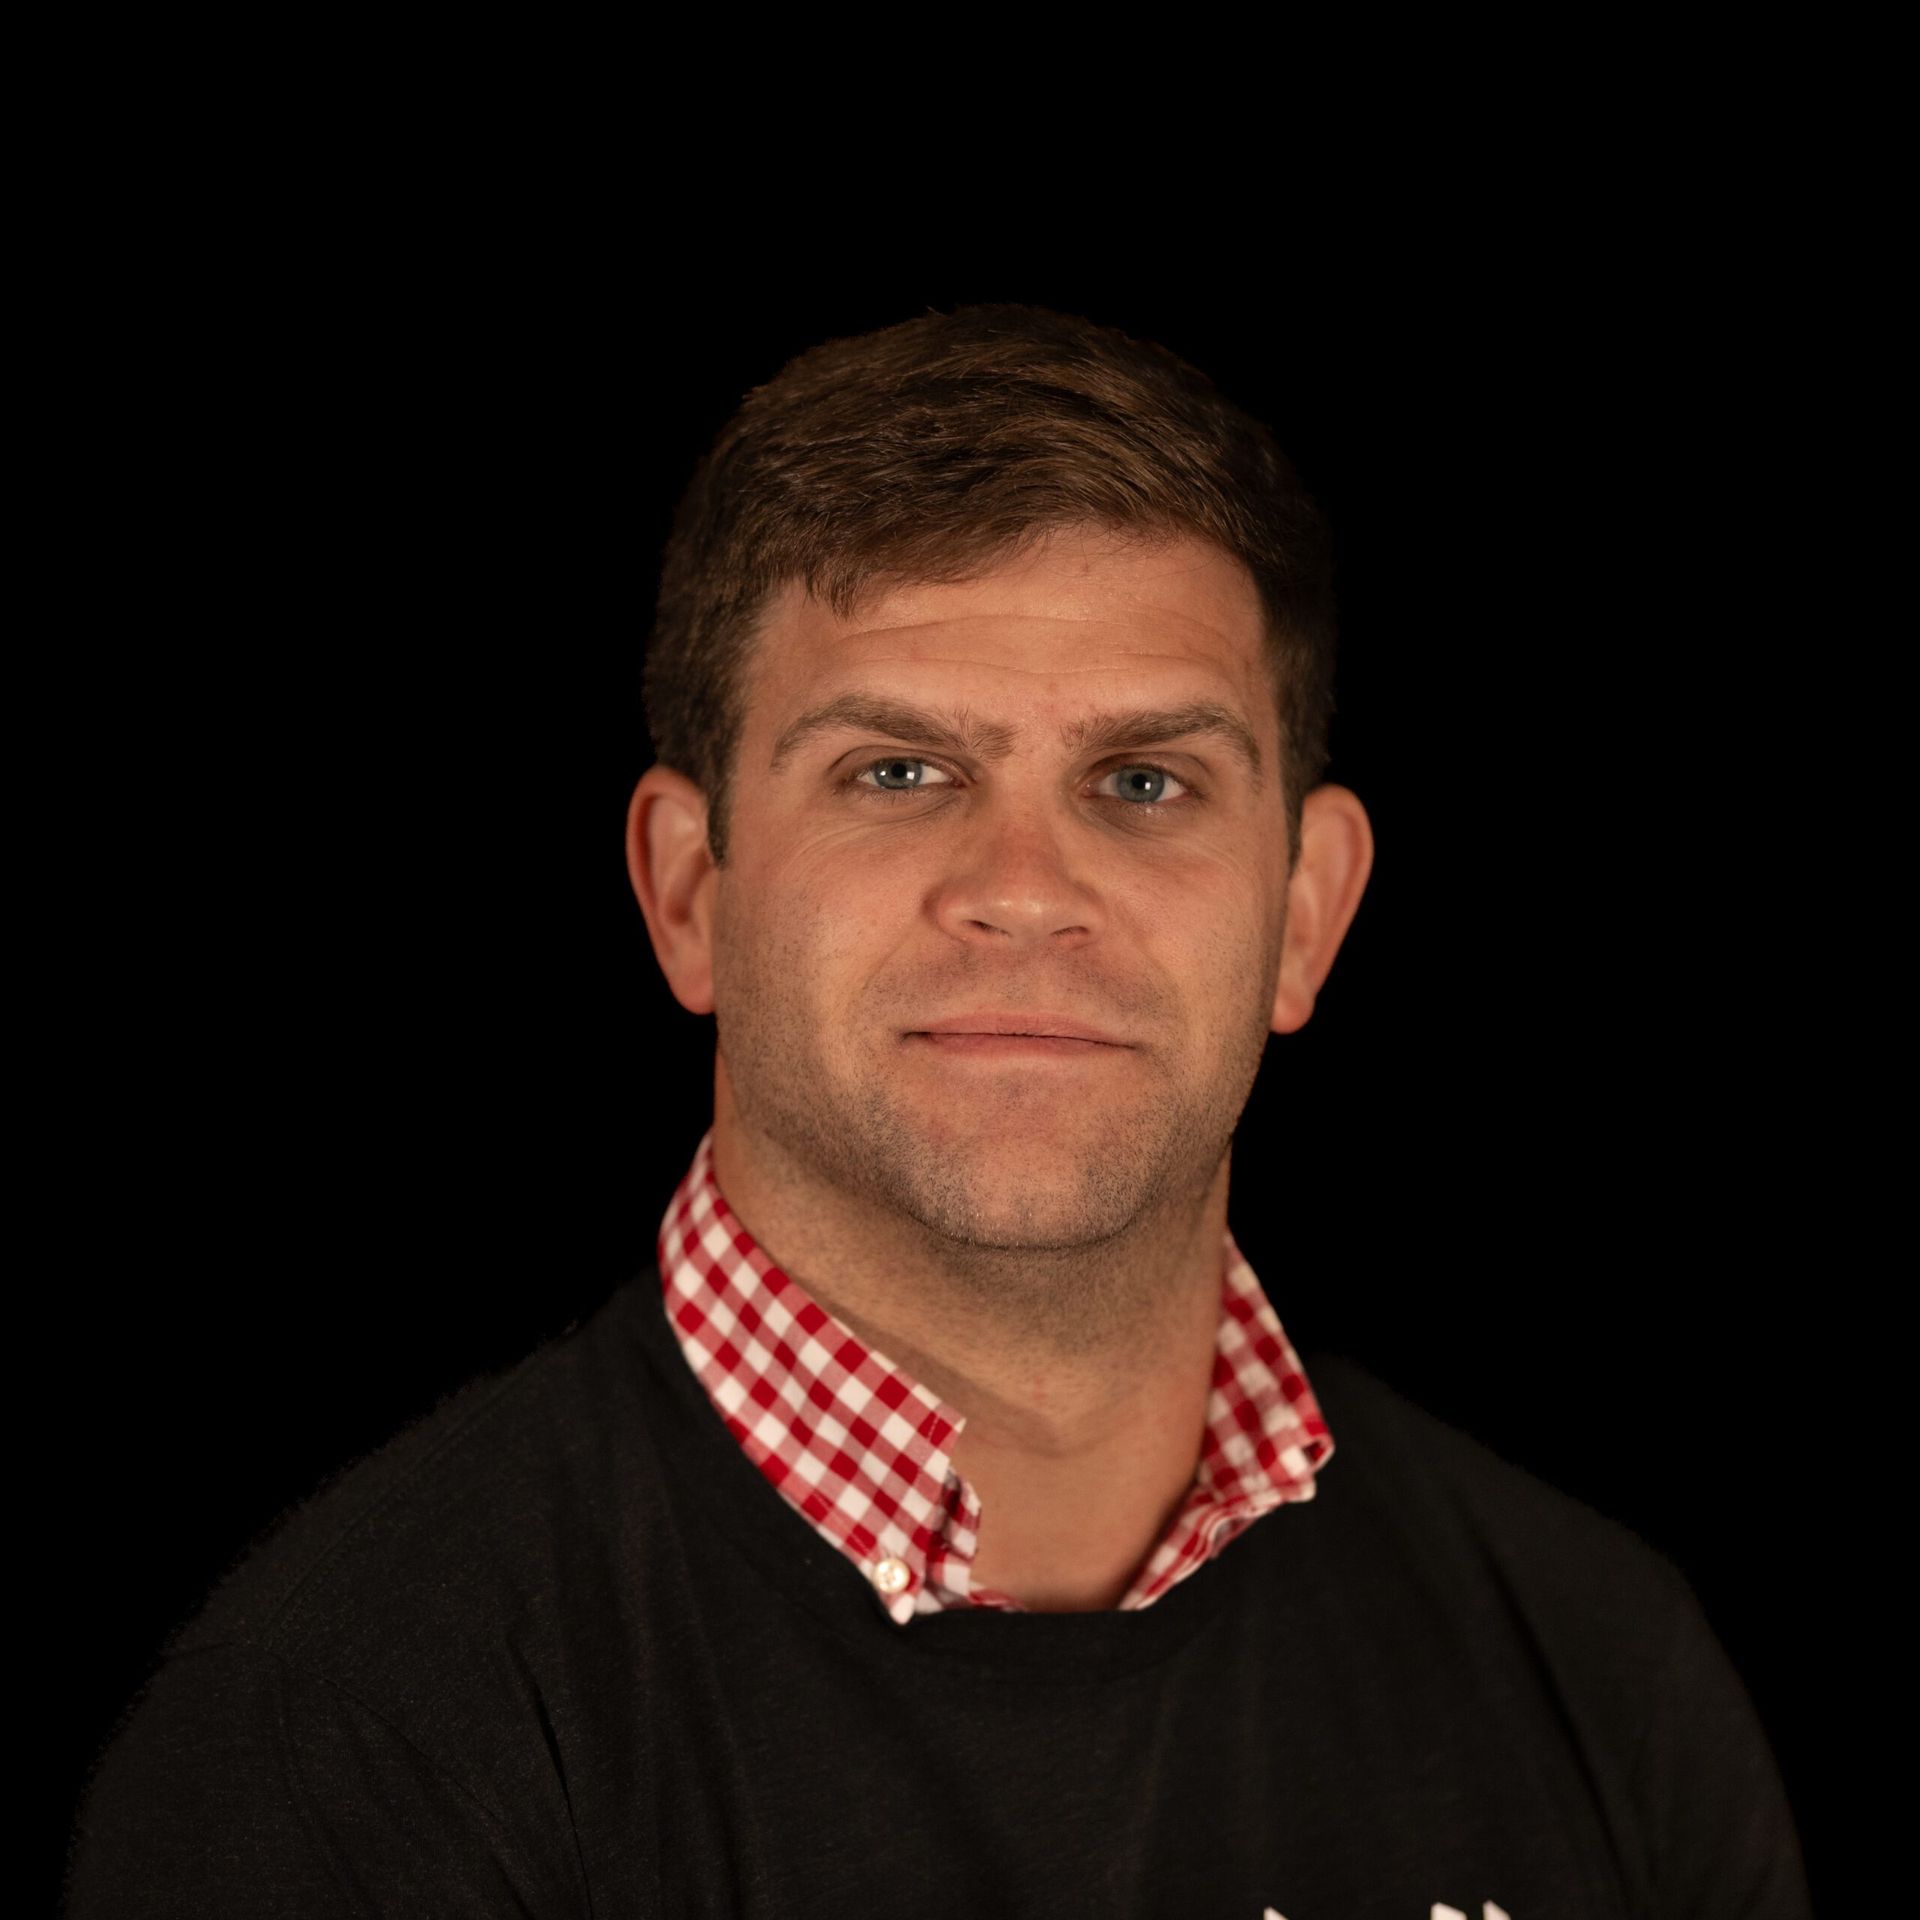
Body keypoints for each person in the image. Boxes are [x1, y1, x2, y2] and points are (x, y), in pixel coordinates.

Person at [65, 303, 1811, 1917]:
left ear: (1304, 913)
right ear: (690, 892)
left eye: (1144, 781)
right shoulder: (361, 1724)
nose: (1026, 887)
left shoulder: (1599, 1667)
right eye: (897, 773)